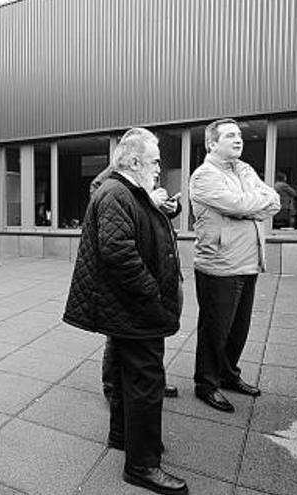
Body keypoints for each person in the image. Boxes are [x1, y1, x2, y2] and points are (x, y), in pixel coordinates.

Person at [64, 128, 188, 495]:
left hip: (128, 308)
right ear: (134, 161)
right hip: (135, 309)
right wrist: (153, 294)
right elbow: (118, 253)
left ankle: (123, 438)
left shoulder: (127, 190)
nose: (159, 169)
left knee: (125, 375)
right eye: (155, 162)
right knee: (146, 383)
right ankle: (142, 465)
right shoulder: (118, 192)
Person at [189, 118, 280, 413]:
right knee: (216, 329)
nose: (239, 139)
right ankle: (206, 384)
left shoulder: (244, 169)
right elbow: (239, 205)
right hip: (220, 265)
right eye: (230, 136)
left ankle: (228, 375)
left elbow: (274, 202)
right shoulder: (204, 176)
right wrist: (251, 206)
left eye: (239, 135)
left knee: (239, 328)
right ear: (212, 143)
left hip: (248, 262)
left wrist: (248, 206)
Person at [91, 166, 181, 401]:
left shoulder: (147, 169)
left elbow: (150, 207)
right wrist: (149, 200)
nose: (158, 165)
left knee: (151, 335)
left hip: (157, 261)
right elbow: (104, 201)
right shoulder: (115, 175)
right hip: (137, 271)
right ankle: (113, 389)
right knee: (120, 336)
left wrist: (171, 208)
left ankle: (152, 381)